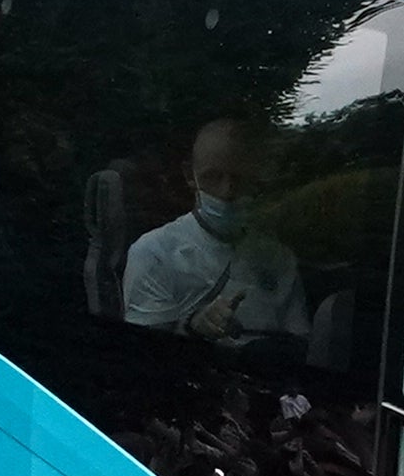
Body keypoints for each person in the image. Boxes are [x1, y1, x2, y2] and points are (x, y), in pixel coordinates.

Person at [115, 121, 306, 345]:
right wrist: (193, 327)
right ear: (189, 175)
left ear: (256, 178)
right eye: (213, 177)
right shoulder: (154, 253)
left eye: (239, 178)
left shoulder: (279, 258)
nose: (227, 191)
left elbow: (301, 342)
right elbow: (146, 353)